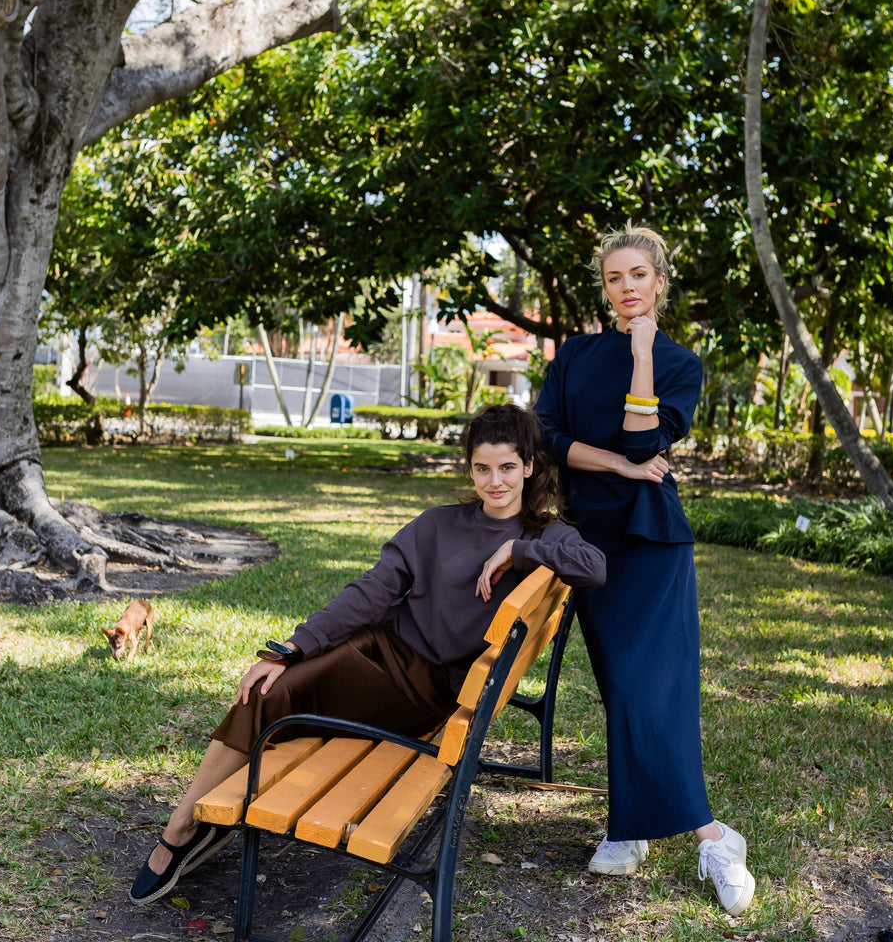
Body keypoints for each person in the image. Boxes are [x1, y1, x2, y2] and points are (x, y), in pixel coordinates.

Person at [129, 402, 607, 906]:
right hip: (379, 652)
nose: (495, 482)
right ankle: (193, 821)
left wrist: (519, 551)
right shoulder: (437, 525)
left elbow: (593, 567)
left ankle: (181, 831)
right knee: (269, 687)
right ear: (468, 466)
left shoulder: (546, 534)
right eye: (482, 468)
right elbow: (372, 591)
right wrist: (291, 647)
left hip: (423, 692)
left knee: (275, 699)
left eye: (508, 467)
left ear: (530, 466)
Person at [533, 223, 755, 916]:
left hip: (652, 541)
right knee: (619, 689)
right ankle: (632, 833)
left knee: (651, 690)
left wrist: (640, 355)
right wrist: (621, 466)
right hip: (587, 540)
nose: (625, 288)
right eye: (613, 279)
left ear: (660, 282)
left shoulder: (679, 363)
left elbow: (645, 436)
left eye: (637, 276)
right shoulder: (572, 354)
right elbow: (544, 439)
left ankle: (709, 838)